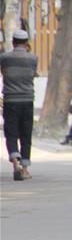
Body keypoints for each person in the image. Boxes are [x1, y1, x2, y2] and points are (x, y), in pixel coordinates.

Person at [1, 30, 38, 181]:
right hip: (27, 100)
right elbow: (33, 73)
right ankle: (25, 169)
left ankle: (15, 162)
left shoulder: (5, 57)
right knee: (26, 134)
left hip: (10, 100)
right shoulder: (33, 58)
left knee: (11, 132)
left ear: (13, 41)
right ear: (26, 42)